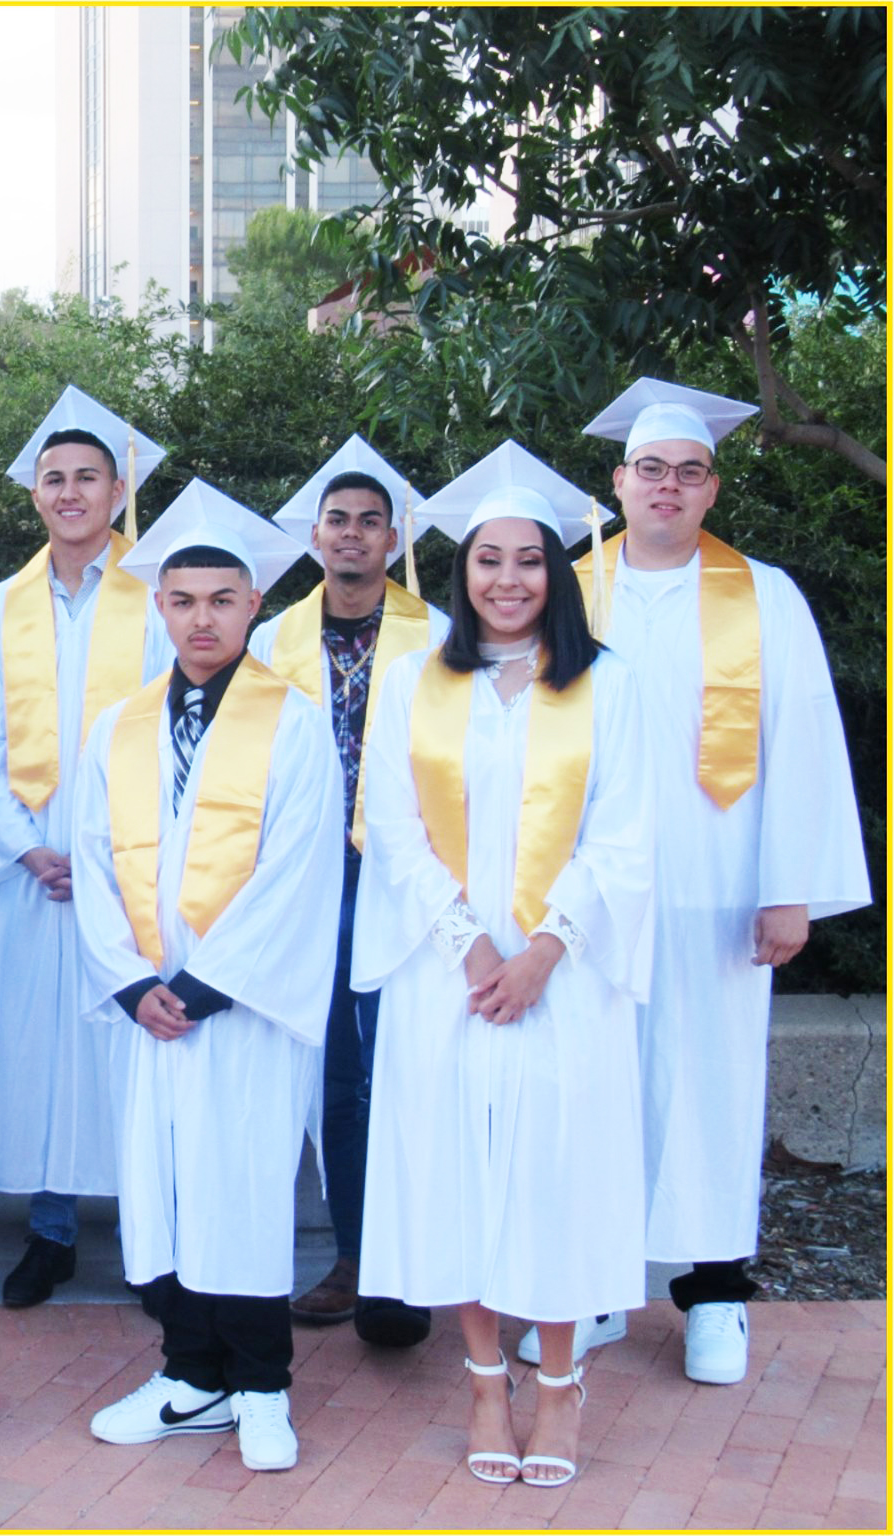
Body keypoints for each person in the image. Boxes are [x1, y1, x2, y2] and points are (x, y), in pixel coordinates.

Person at [528, 379, 870, 1386]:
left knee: (711, 1084)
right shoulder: (564, 592)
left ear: (710, 488)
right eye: (648, 470)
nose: (665, 487)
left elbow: (801, 742)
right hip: (588, 897)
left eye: (685, 472)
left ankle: (714, 1292)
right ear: (616, 482)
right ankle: (589, 1290)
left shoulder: (762, 595)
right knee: (588, 1085)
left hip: (719, 891)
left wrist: (789, 885)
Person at [354, 443, 655, 1489]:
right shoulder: (412, 680)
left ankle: (561, 1387)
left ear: (556, 573)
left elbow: (621, 836)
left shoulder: (605, 686)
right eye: (488, 560)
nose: (507, 580)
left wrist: (539, 950)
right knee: (455, 1176)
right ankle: (484, 1378)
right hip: (442, 973)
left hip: (563, 977)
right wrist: (468, 942)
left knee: (555, 1176)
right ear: (461, 569)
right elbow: (390, 829)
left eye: (528, 561)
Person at [73, 482, 340, 1473]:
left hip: (239, 1011)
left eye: (220, 598)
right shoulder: (120, 726)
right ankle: (189, 1376)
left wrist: (204, 986)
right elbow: (92, 859)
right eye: (181, 599)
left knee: (241, 1188)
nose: (199, 616)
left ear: (252, 605)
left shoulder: (293, 722)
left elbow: (297, 869)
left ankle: (260, 1385)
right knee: (168, 1189)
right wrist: (132, 981)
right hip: (151, 1009)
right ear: (158, 606)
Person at [0, 385, 174, 1308]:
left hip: (134, 860)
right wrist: (24, 848)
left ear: (118, 489)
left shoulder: (163, 590)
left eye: (90, 475)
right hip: (33, 867)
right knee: (42, 1047)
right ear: (36, 495)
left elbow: (179, 732)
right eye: (55, 478)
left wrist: (119, 850)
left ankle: (150, 1240)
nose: (72, 491)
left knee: (133, 1041)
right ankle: (48, 1232)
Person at [252, 436, 449, 1346]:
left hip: (403, 866)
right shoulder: (269, 639)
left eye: (372, 521)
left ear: (393, 535)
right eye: (339, 520)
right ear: (315, 534)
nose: (354, 535)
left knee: (404, 1059)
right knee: (334, 1067)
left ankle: (416, 1255)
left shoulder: (441, 635)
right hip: (307, 874)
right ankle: (356, 1256)